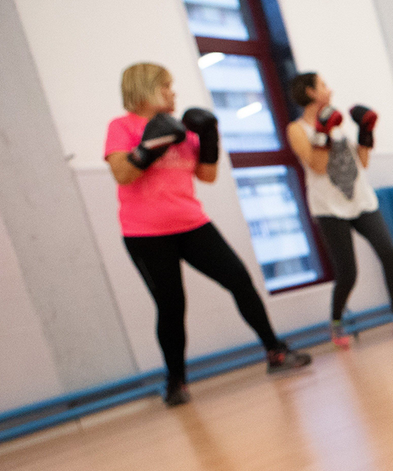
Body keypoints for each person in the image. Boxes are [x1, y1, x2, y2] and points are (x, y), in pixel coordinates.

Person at [104, 63, 311, 407]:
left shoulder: (185, 130)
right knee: (171, 305)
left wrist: (211, 137)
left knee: (240, 280)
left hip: (192, 224)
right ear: (143, 90)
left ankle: (275, 352)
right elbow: (123, 174)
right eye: (166, 87)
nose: (173, 93)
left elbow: (207, 175)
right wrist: (150, 145)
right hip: (146, 233)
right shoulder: (122, 126)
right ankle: (176, 382)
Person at [286, 72, 393, 349]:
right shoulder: (297, 129)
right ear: (311, 92)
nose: (329, 88)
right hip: (329, 208)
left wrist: (365, 131)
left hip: (361, 200)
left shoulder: (337, 124)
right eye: (323, 85)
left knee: (388, 253)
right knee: (348, 272)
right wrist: (323, 133)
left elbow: (361, 161)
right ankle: (336, 324)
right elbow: (317, 166)